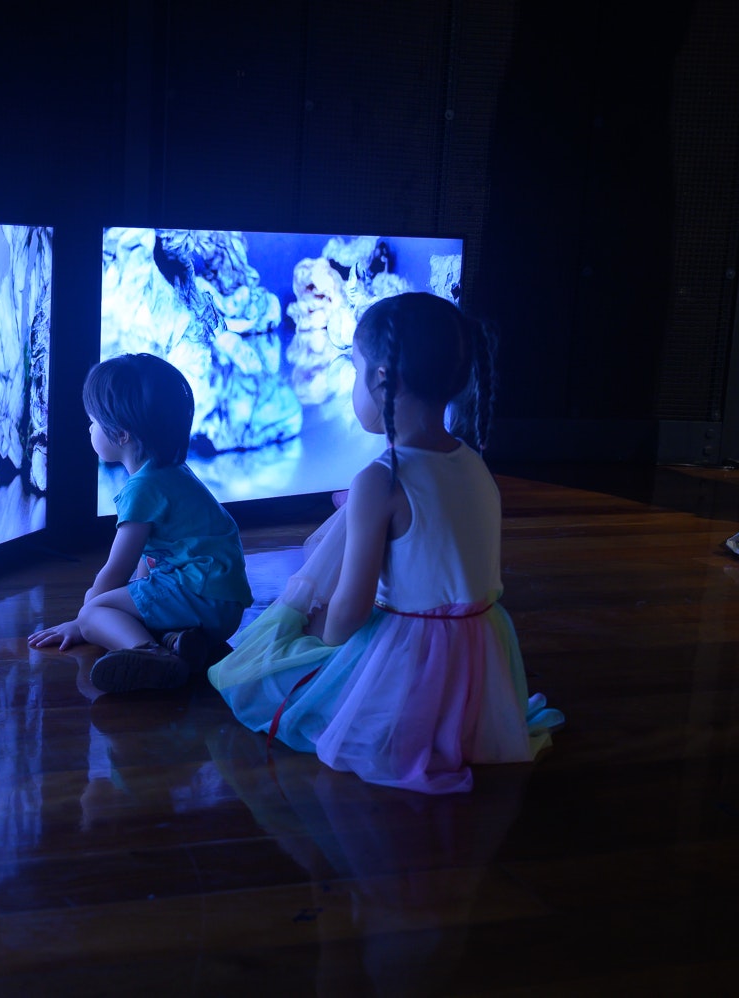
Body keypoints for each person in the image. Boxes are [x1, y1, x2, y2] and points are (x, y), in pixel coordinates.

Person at [208, 292, 562, 793]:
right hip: (480, 655)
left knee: (266, 677)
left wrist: (311, 638)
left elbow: (348, 614)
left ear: (381, 379)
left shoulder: (380, 480)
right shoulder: (472, 460)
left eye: (353, 370)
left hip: (415, 657)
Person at [29, 353, 254, 692]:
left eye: (93, 421)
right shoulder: (172, 472)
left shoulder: (143, 488)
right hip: (224, 604)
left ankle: (149, 654)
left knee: (96, 613)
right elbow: (148, 564)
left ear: (120, 435)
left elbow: (114, 571)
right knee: (129, 605)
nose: (89, 428)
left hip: (202, 595)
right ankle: (180, 643)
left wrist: (82, 621)